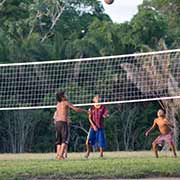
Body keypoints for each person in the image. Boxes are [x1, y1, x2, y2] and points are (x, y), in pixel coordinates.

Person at [53, 91, 88, 160]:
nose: (67, 96)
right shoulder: (65, 102)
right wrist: (86, 111)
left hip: (57, 123)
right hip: (63, 123)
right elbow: (76, 109)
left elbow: (57, 113)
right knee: (64, 140)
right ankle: (60, 156)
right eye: (65, 95)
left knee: (58, 140)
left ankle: (58, 155)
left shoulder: (58, 104)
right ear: (62, 97)